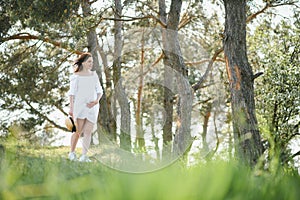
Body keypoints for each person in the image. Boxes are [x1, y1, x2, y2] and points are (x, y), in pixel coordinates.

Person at [68, 52, 103, 162]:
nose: (91, 64)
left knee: (88, 132)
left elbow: (100, 90)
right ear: (82, 63)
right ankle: (72, 153)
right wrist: (71, 109)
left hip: (92, 108)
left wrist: (96, 101)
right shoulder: (76, 76)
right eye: (89, 62)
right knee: (77, 131)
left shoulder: (94, 75)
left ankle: (84, 156)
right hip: (80, 107)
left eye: (92, 62)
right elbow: (72, 94)